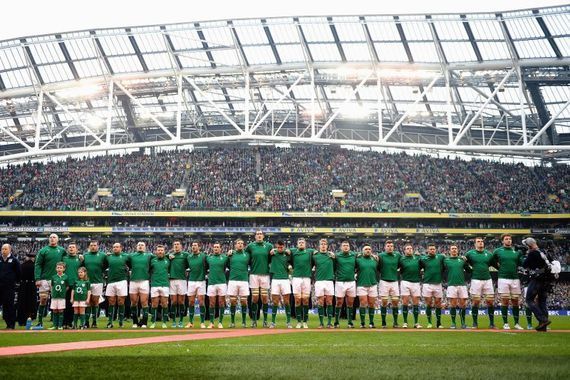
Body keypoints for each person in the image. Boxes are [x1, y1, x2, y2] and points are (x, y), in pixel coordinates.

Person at [522, 237, 555, 332]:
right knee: (542, 302)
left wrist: (526, 255)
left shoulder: (532, 253)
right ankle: (543, 326)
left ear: (529, 245)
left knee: (529, 300)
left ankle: (543, 320)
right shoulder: (544, 251)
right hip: (547, 280)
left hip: (537, 279)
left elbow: (525, 265)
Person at [34, 233, 66, 329]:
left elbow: (67, 262)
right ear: (48, 239)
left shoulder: (62, 250)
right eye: (51, 237)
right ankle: (40, 322)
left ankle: (55, 323)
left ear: (58, 239)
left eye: (54, 237)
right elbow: (38, 264)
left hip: (57, 280)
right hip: (44, 279)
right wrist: (37, 278)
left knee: (56, 301)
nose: (52, 239)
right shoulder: (43, 250)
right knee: (43, 300)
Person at [492, 234, 524, 330]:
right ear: (502, 241)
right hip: (503, 278)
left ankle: (516, 323)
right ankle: (505, 323)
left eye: (510, 239)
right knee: (505, 301)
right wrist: (500, 268)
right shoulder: (497, 251)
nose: (508, 240)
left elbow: (521, 263)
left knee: (515, 301)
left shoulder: (517, 252)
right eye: (506, 239)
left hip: (515, 278)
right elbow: (492, 261)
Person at [465, 237, 496, 329]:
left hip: (487, 279)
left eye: (482, 241)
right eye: (478, 242)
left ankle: (492, 323)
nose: (481, 243)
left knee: (490, 302)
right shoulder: (470, 254)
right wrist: (470, 270)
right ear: (475, 244)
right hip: (476, 280)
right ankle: (475, 323)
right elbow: (464, 263)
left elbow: (494, 264)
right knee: (475, 302)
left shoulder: (489, 254)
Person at [245, 230, 273, 327]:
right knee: (255, 298)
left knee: (265, 298)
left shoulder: (269, 246)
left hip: (265, 274)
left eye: (261, 234)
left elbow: (272, 258)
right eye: (257, 234)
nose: (259, 235)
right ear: (255, 236)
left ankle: (265, 321)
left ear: (263, 236)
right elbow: (244, 257)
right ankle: (254, 320)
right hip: (254, 275)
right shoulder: (250, 246)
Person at [290, 238, 314, 328]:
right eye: (299, 242)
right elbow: (285, 251)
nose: (301, 244)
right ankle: (299, 321)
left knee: (305, 300)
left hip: (307, 278)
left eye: (302, 242)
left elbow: (318, 252)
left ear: (305, 244)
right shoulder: (293, 252)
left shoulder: (310, 252)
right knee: (297, 299)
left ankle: (305, 321)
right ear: (297, 244)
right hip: (296, 277)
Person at [82, 240, 107, 328]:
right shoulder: (85, 256)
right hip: (87, 282)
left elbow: (106, 265)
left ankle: (94, 322)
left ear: (98, 246)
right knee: (88, 302)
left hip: (98, 282)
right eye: (91, 245)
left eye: (95, 245)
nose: (93, 247)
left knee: (95, 302)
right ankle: (86, 322)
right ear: (89, 246)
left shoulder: (103, 255)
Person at [420, 243, 445, 329]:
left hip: (438, 284)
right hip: (427, 284)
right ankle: (429, 323)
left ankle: (438, 323)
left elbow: (449, 260)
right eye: (430, 249)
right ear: (427, 250)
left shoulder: (441, 257)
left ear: (436, 250)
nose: (432, 250)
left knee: (438, 304)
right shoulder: (423, 258)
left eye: (433, 249)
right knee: (429, 304)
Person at [444, 245, 469, 329]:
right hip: (451, 285)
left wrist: (467, 261)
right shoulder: (446, 260)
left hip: (462, 285)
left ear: (457, 250)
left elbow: (469, 269)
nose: (454, 250)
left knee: (463, 305)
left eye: (455, 248)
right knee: (453, 305)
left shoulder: (462, 260)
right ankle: (453, 323)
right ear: (449, 250)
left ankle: (463, 323)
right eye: (452, 249)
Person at [128, 242, 153, 328]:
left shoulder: (149, 256)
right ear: (136, 247)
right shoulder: (131, 256)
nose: (140, 246)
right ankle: (135, 322)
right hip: (133, 281)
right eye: (139, 245)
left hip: (144, 281)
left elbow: (160, 256)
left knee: (144, 302)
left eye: (142, 245)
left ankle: (144, 322)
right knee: (133, 302)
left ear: (145, 247)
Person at [269, 240, 292, 328]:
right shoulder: (272, 254)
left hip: (285, 280)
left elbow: (292, 261)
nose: (279, 249)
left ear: (284, 247)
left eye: (281, 247)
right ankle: (273, 322)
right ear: (276, 246)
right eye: (278, 247)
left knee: (286, 301)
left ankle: (288, 322)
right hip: (275, 279)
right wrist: (271, 252)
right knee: (275, 302)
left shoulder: (287, 255)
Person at [105, 242, 129, 328]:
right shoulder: (108, 257)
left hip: (122, 281)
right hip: (111, 281)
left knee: (121, 301)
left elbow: (130, 265)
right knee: (111, 302)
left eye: (117, 247)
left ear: (121, 248)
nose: (115, 248)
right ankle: (110, 321)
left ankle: (121, 321)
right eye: (114, 247)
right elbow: (104, 266)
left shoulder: (126, 256)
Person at [227, 239, 250, 329]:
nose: (240, 245)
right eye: (238, 243)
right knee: (233, 301)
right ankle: (232, 322)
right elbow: (227, 265)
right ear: (235, 245)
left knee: (244, 301)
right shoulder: (231, 255)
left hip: (244, 280)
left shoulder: (247, 255)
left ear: (243, 245)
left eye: (241, 243)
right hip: (233, 280)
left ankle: (244, 322)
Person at [313, 239, 335, 329]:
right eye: (321, 244)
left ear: (327, 246)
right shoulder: (315, 256)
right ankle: (321, 323)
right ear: (319, 245)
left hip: (329, 281)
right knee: (320, 302)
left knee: (329, 301)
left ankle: (329, 322)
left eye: (324, 244)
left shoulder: (332, 256)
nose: (323, 245)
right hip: (319, 281)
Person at [378, 240, 401, 328]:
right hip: (384, 281)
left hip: (394, 281)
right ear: (385, 247)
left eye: (391, 246)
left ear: (393, 247)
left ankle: (395, 322)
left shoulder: (397, 255)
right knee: (384, 302)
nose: (390, 247)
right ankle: (384, 322)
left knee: (395, 302)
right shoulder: (381, 256)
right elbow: (378, 267)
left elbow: (400, 266)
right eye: (388, 246)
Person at [205, 243, 228, 329]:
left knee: (221, 303)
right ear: (212, 248)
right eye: (214, 247)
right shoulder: (209, 258)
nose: (216, 248)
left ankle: (220, 322)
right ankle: (211, 322)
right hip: (211, 283)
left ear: (220, 249)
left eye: (217, 247)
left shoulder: (225, 258)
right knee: (211, 303)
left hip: (222, 282)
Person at [398, 243, 422, 328]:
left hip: (416, 282)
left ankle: (416, 323)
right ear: (404, 250)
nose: (409, 249)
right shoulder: (401, 259)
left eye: (411, 248)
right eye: (407, 248)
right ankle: (405, 322)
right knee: (405, 302)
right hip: (405, 282)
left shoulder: (418, 258)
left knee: (416, 303)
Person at [334, 240, 357, 329]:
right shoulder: (337, 256)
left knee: (350, 303)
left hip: (351, 282)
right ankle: (336, 321)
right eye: (344, 245)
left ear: (349, 247)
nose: (346, 247)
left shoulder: (354, 255)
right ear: (341, 247)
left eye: (347, 245)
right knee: (339, 302)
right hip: (340, 282)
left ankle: (350, 322)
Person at [356, 245, 379, 328]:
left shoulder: (375, 260)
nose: (368, 250)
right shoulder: (358, 259)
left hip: (373, 284)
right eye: (366, 249)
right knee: (363, 303)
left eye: (369, 249)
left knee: (372, 304)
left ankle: (371, 322)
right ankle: (362, 323)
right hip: (361, 284)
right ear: (362, 251)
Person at [186, 241, 207, 328]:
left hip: (201, 281)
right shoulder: (189, 257)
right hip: (191, 281)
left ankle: (202, 322)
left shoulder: (203, 256)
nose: (193, 247)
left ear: (199, 247)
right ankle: (190, 322)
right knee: (191, 302)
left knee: (201, 302)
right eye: (192, 245)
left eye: (195, 245)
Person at [168, 240, 189, 328]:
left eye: (178, 244)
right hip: (172, 280)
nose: (176, 246)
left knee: (181, 301)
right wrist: (168, 255)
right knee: (173, 302)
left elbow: (189, 265)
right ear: (173, 246)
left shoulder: (185, 255)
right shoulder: (169, 256)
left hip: (182, 280)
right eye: (175, 244)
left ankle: (180, 321)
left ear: (181, 246)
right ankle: (173, 321)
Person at [0, 243, 21, 329]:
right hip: (0, 286)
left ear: (10, 250)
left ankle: (11, 324)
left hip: (9, 287)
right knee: (4, 307)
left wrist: (16, 283)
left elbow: (19, 273)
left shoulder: (14, 260)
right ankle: (6, 321)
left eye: (5, 249)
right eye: (2, 249)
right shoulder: (0, 259)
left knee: (9, 305)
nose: (3, 251)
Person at [150, 245, 170, 329]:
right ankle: (153, 322)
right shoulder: (152, 260)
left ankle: (164, 322)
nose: (160, 252)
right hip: (154, 284)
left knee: (164, 304)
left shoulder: (168, 260)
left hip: (165, 284)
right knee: (154, 304)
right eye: (159, 250)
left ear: (164, 251)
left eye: (162, 250)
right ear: (156, 251)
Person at [62, 242, 81, 328]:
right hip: (66, 286)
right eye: (70, 247)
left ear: (77, 249)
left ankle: (71, 322)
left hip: (76, 286)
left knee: (73, 305)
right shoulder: (64, 259)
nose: (71, 248)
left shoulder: (80, 259)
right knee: (65, 305)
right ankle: (64, 322)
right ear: (67, 249)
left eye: (73, 247)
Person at [18, 252, 37, 329]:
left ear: (26, 257)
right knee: (31, 302)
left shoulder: (22, 265)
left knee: (22, 302)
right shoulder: (35, 266)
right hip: (31, 285)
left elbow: (18, 276)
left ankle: (21, 320)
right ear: (33, 258)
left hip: (23, 285)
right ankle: (30, 319)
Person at [49, 262, 68, 330]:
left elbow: (67, 286)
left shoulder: (66, 277)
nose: (59, 269)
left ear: (64, 269)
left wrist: (63, 292)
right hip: (54, 297)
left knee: (60, 310)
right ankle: (55, 325)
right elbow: (51, 286)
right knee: (54, 310)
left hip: (61, 297)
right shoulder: (53, 277)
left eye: (60, 268)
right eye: (58, 268)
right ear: (56, 269)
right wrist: (52, 292)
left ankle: (60, 325)